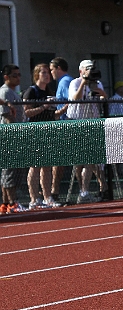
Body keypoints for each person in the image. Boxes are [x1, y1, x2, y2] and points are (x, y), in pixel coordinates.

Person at [68, 60, 109, 203]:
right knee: (81, 161)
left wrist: (100, 91)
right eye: (87, 69)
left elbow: (104, 98)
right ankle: (83, 190)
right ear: (81, 71)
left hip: (93, 122)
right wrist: (84, 83)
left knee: (92, 159)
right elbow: (75, 98)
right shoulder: (74, 83)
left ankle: (95, 189)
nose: (90, 72)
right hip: (78, 122)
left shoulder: (97, 83)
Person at [23, 64, 61, 209]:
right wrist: (44, 106)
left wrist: (62, 108)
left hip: (48, 131)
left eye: (48, 73)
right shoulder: (31, 91)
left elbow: (52, 114)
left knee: (47, 166)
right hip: (35, 131)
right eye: (43, 73)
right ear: (37, 74)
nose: (47, 75)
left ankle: (47, 197)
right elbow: (26, 112)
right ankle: (34, 199)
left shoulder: (49, 91)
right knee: (35, 166)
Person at [0, 65, 27, 213]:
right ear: (6, 77)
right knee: (9, 171)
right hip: (9, 136)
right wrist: (15, 133)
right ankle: (11, 202)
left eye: (19, 74)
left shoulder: (13, 92)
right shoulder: (5, 92)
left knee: (12, 171)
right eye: (14, 75)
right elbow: (7, 116)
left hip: (14, 135)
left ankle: (6, 203)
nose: (18, 78)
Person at [49, 57, 73, 203]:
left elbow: (70, 102)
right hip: (65, 123)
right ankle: (54, 190)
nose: (51, 73)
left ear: (58, 68)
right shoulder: (66, 81)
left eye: (52, 69)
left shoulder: (64, 81)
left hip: (64, 124)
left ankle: (54, 191)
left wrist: (57, 113)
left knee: (59, 160)